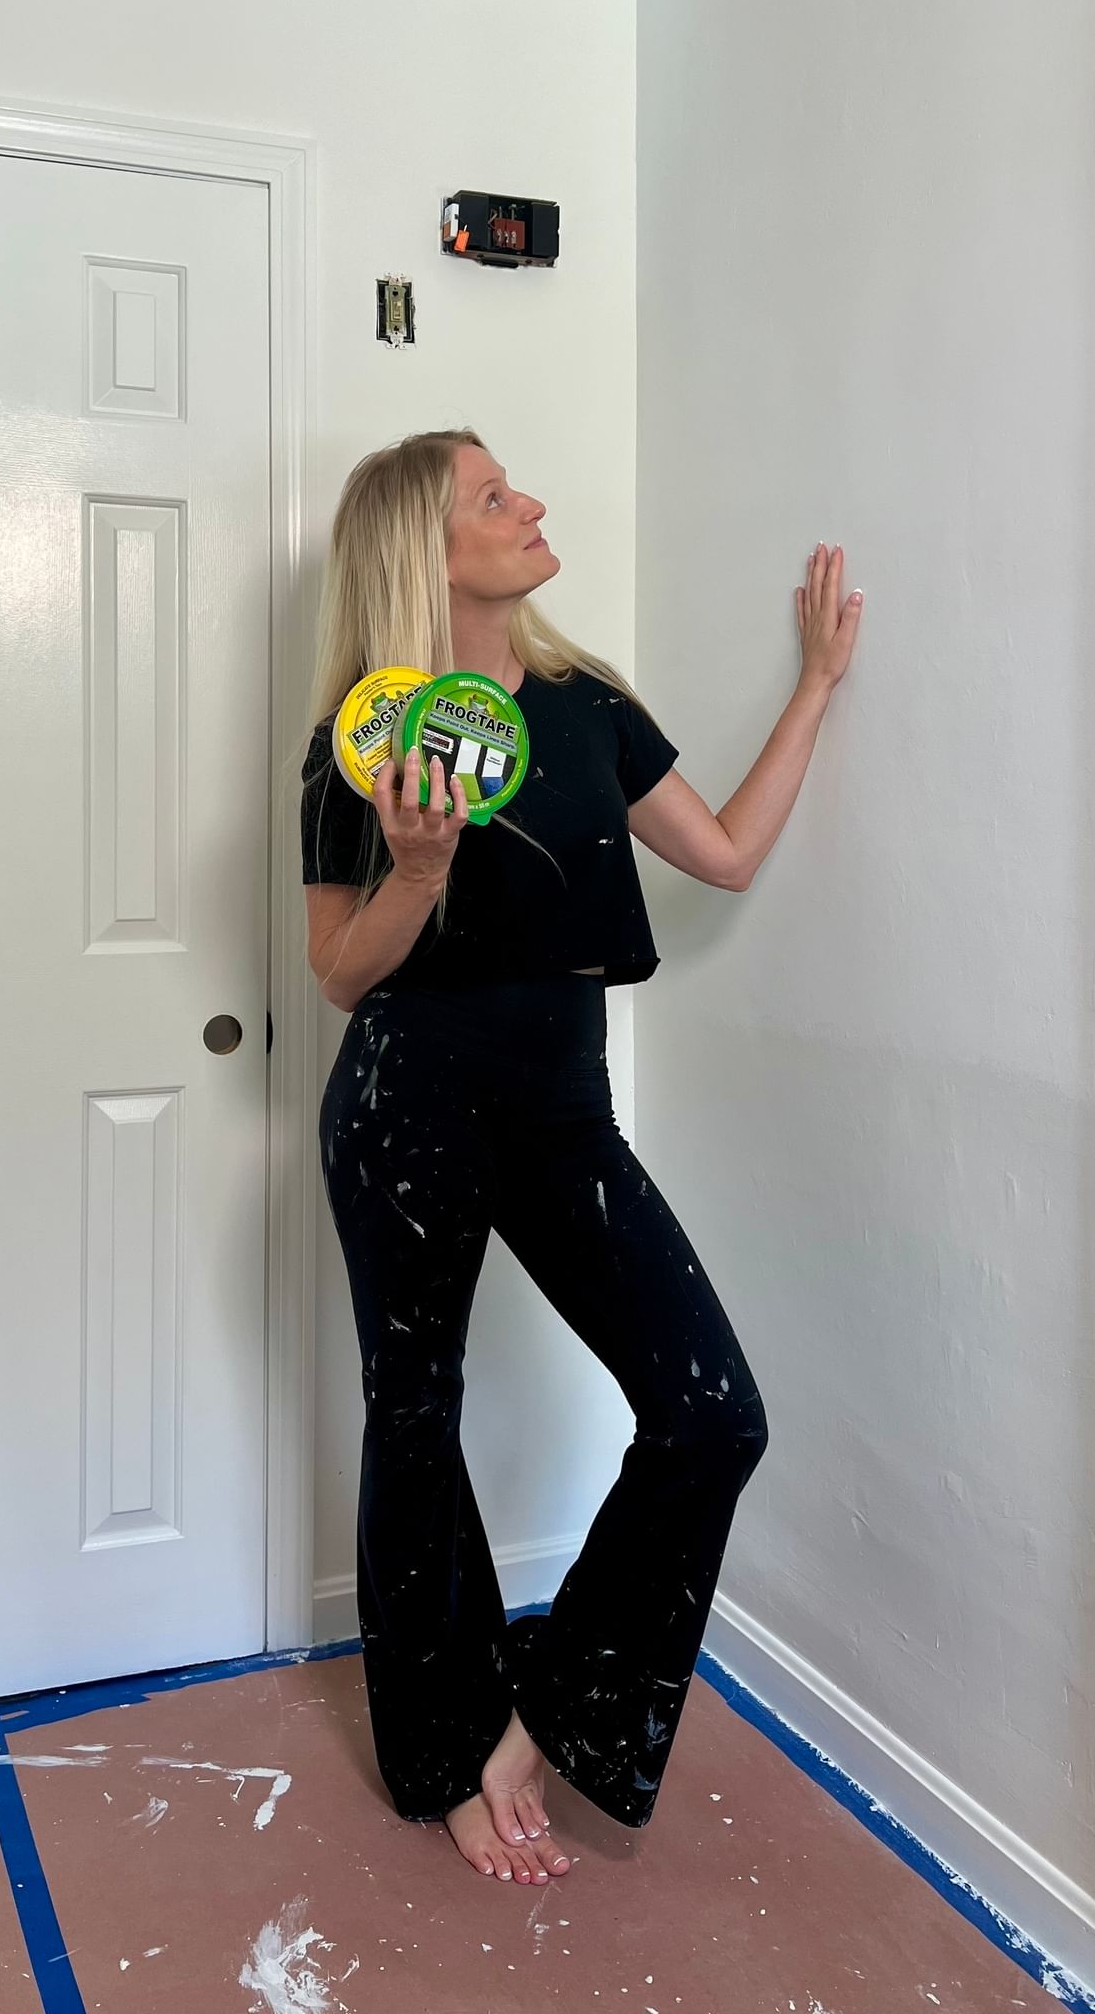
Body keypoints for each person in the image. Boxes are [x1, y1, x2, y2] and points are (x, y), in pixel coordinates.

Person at [300, 428, 862, 1884]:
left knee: (710, 1414)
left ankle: (535, 1727)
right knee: (415, 1425)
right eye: (494, 498)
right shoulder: (359, 743)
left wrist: (813, 687)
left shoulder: (588, 708)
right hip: (401, 1114)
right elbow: (338, 974)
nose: (530, 505)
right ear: (426, 552)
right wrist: (416, 870)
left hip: (562, 1119)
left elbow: (727, 852)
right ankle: (442, 1759)